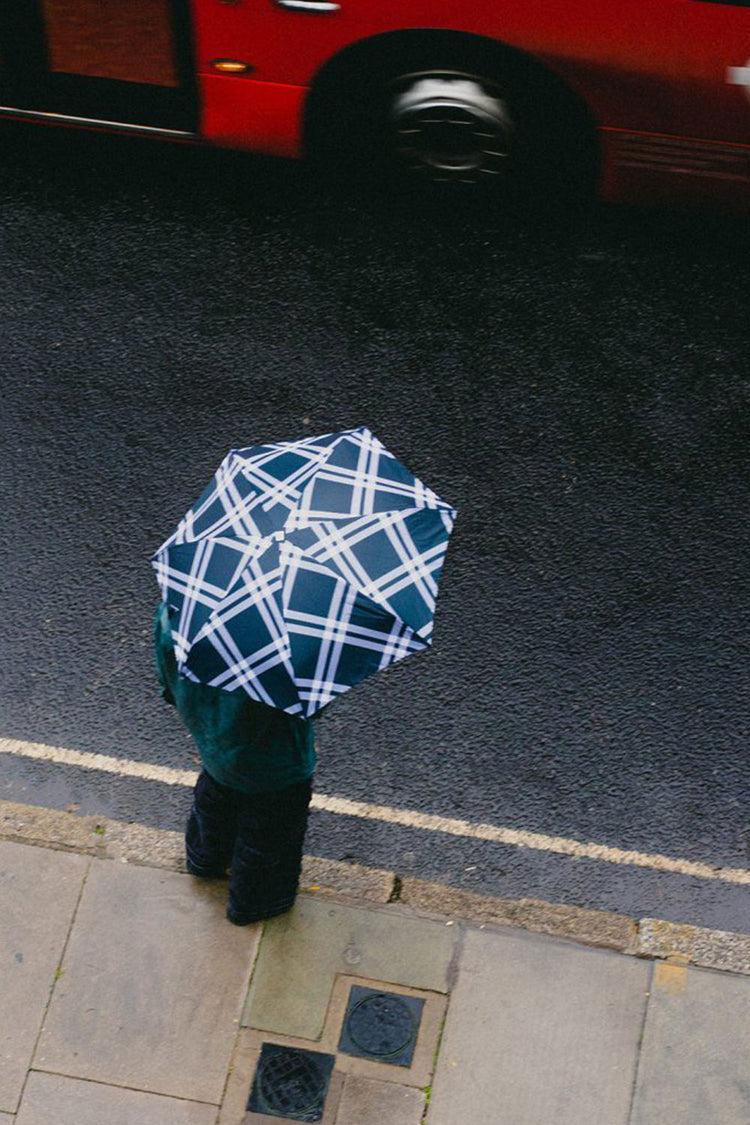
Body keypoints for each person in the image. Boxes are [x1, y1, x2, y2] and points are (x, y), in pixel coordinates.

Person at [154, 602, 316, 925]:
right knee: (267, 839)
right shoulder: (289, 641)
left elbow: (167, 679)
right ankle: (253, 903)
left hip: (213, 745)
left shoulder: (176, 612)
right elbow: (311, 703)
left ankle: (205, 860)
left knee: (214, 805)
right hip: (275, 767)